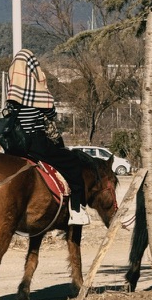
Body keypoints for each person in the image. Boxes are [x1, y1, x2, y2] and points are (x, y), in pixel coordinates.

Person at [5, 48, 89, 225]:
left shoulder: (11, 94)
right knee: (72, 163)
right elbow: (51, 115)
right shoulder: (38, 93)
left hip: (15, 146)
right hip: (36, 143)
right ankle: (76, 210)